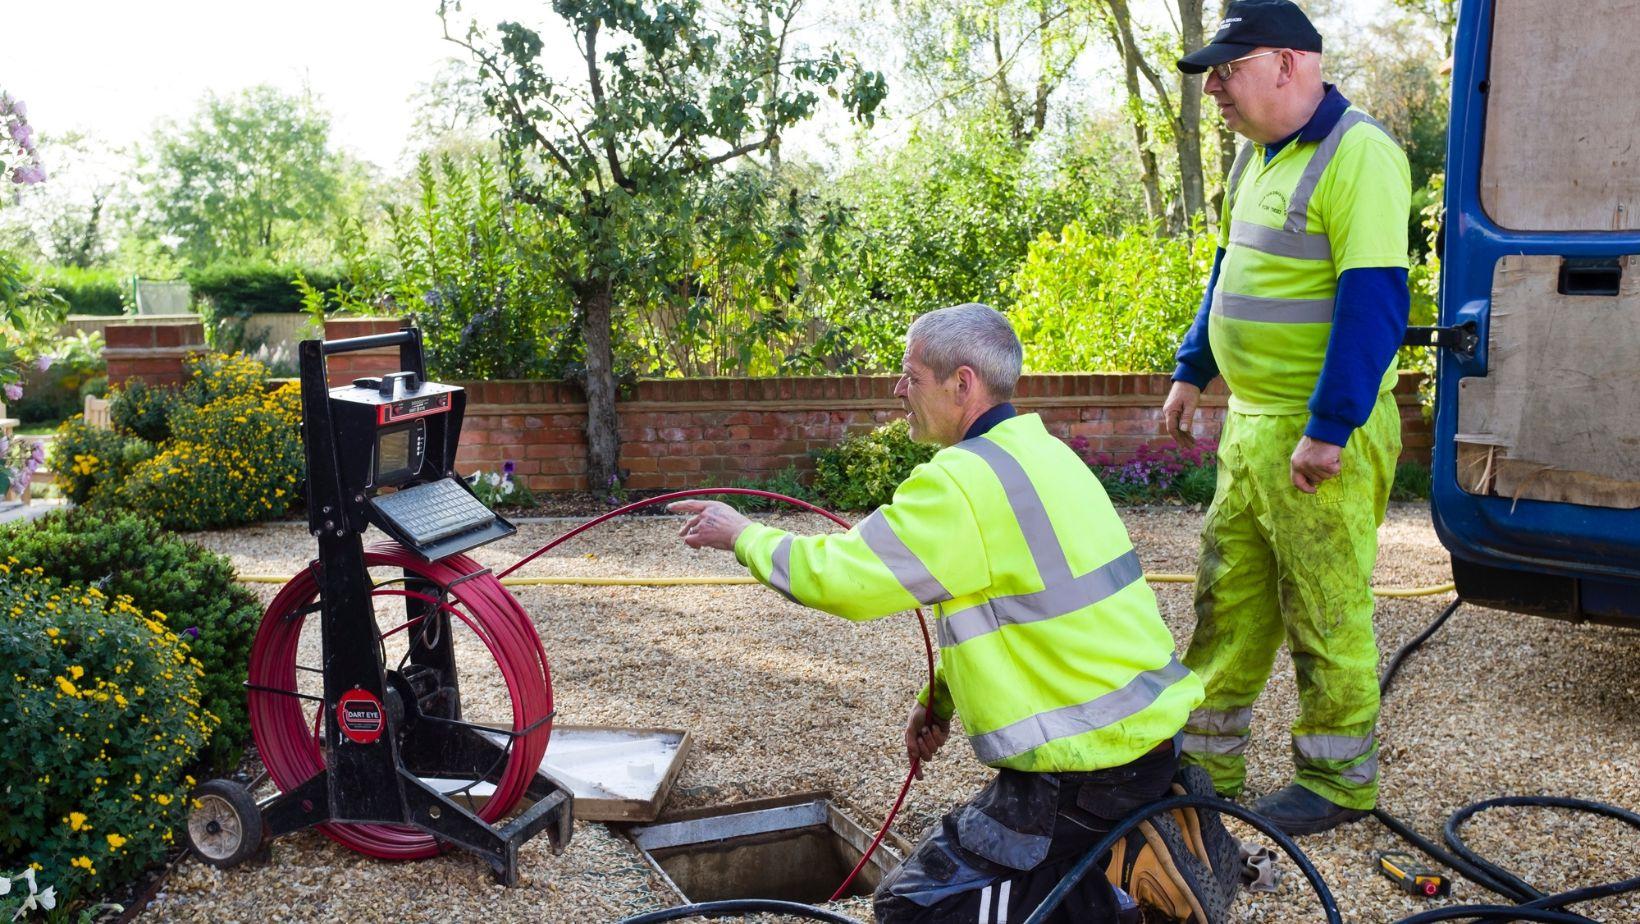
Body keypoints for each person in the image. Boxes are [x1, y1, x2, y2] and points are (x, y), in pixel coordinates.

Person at [673, 303, 1239, 923]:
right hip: (1145, 742)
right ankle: (1133, 844)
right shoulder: (1044, 455)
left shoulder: (963, 484)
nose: (897, 390)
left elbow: (841, 578)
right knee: (1000, 879)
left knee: (911, 909)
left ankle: (1126, 886)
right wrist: (940, 696)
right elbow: (1025, 613)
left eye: (910, 376)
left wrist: (742, 534)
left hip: (1084, 770)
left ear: (961, 383)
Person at [1163, 0, 1412, 835]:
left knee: (1325, 606)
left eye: (1225, 72)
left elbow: (1373, 304)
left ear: (1285, 63)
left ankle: (1337, 783)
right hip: (1254, 426)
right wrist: (1194, 370)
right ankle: (1203, 764)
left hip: (1316, 433)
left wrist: (1331, 427)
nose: (1215, 93)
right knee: (1227, 598)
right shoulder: (1253, 160)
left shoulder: (1361, 155)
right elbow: (1230, 274)